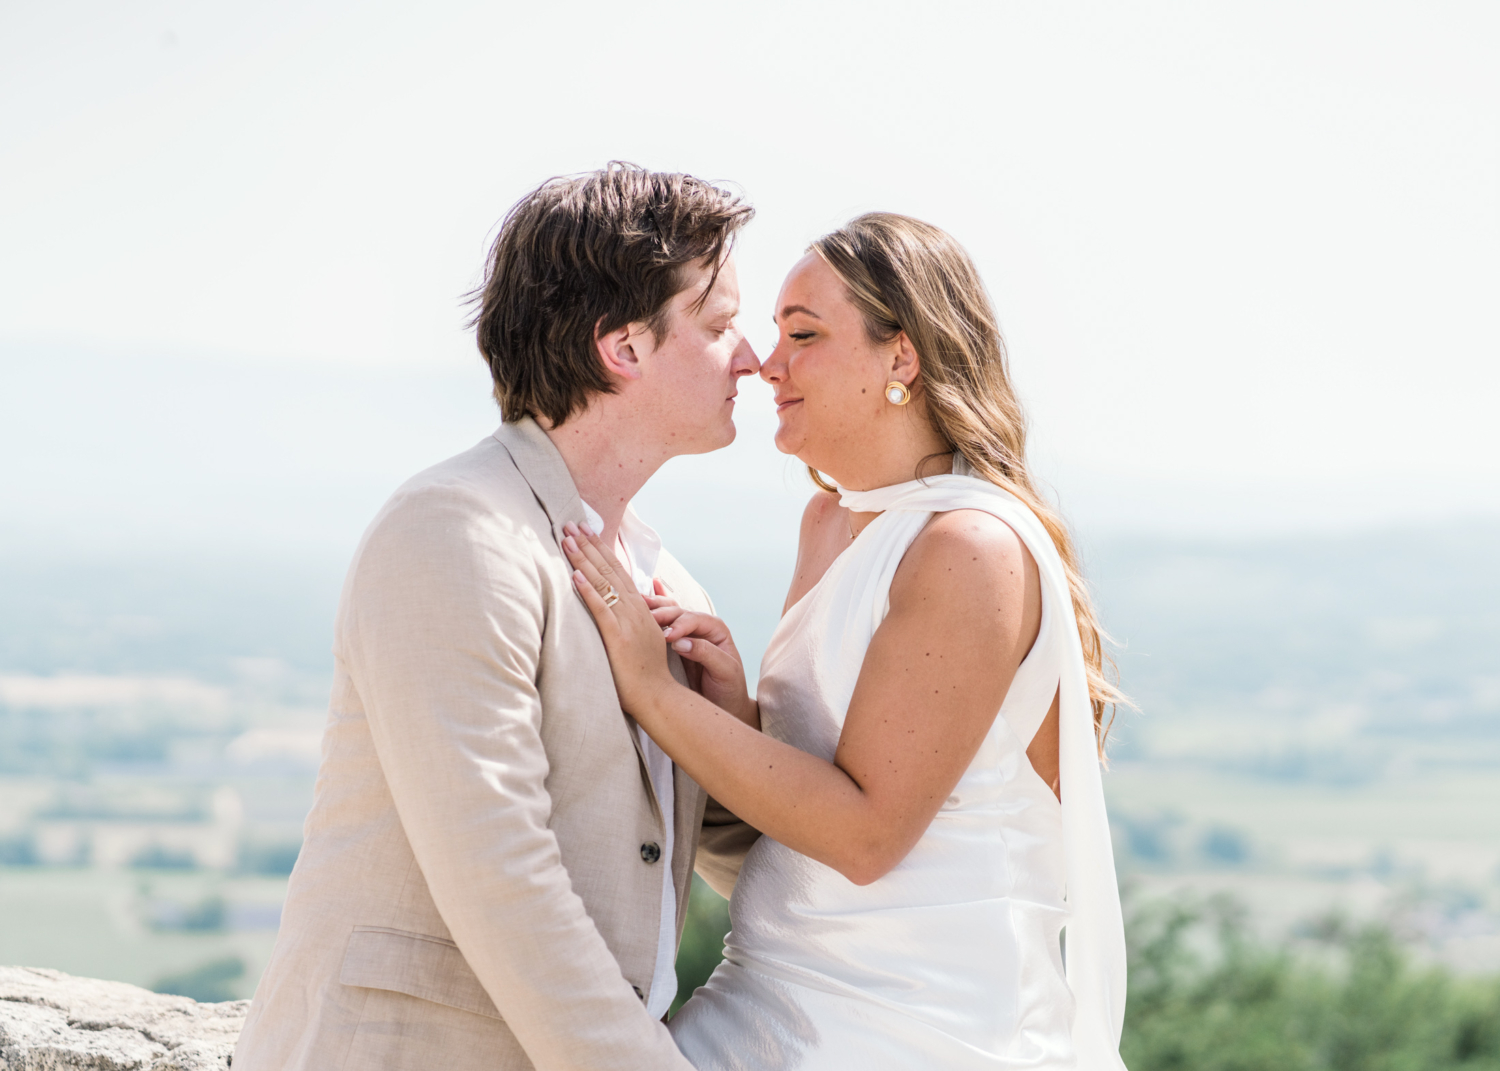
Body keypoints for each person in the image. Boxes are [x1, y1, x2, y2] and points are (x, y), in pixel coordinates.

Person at [564, 212, 1131, 1069]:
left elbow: (864, 838)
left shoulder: (966, 548)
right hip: (769, 996)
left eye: (804, 334)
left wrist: (655, 692)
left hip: (909, 1028)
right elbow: (801, 833)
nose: (767, 364)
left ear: (900, 357)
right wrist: (738, 709)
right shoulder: (831, 519)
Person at [232, 163, 762, 1071]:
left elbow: (717, 863)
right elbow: (498, 874)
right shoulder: (453, 530)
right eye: (718, 327)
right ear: (624, 348)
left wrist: (728, 723)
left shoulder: (671, 583)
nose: (750, 357)